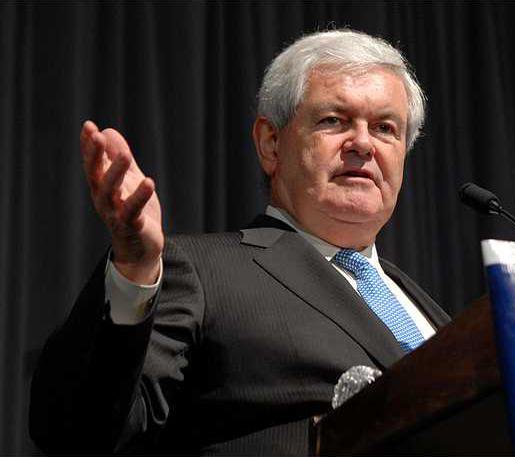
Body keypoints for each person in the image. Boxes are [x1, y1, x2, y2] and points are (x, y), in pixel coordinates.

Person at [29, 29, 450, 455]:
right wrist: (134, 272)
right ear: (271, 144)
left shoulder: (432, 313)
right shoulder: (199, 271)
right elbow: (79, 430)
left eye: (384, 128)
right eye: (333, 121)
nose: (362, 143)